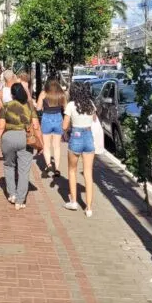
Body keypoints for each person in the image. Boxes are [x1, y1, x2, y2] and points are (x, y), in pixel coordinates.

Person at [0, 83, 40, 210]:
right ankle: (20, 200)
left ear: (12, 94)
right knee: (24, 171)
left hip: (8, 138)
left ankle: (12, 194)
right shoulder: (29, 107)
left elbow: (0, 126)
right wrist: (41, 143)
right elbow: (35, 126)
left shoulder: (6, 107)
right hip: (25, 138)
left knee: (9, 166)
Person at [61, 81, 97, 217]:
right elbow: (94, 120)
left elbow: (65, 126)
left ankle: (74, 201)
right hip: (88, 137)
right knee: (88, 173)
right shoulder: (91, 104)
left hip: (76, 136)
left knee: (72, 170)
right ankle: (88, 208)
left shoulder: (71, 105)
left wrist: (68, 127)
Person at [35, 78, 65, 177]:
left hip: (46, 118)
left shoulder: (43, 93)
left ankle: (48, 165)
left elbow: (38, 108)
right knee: (56, 146)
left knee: (46, 146)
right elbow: (65, 109)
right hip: (58, 118)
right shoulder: (61, 94)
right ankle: (57, 169)